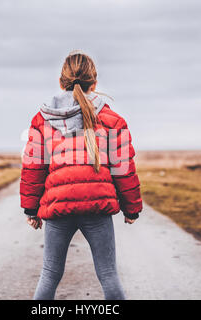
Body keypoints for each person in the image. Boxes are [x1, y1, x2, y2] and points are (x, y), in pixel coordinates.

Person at [20, 51, 143, 300]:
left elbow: (33, 168)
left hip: (57, 206)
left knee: (50, 273)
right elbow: (123, 169)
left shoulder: (42, 120)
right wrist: (132, 209)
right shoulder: (112, 120)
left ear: (60, 81)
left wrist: (31, 210)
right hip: (97, 208)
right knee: (108, 273)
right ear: (94, 84)